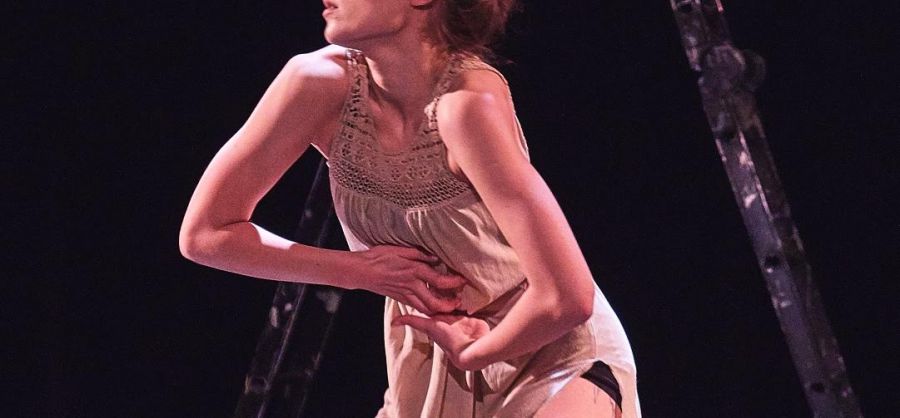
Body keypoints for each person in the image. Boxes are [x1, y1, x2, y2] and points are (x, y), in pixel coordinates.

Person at [179, 0, 641, 416]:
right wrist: (356, 270)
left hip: (548, 354)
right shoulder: (315, 84)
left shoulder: (466, 106)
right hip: (430, 366)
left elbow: (566, 297)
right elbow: (206, 234)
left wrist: (476, 352)